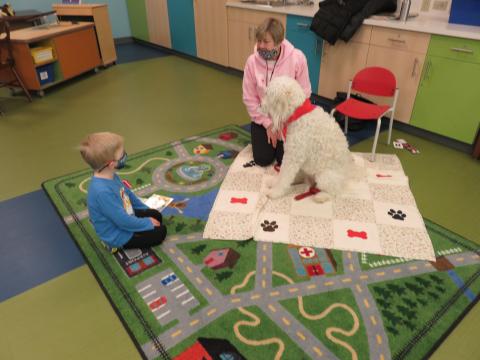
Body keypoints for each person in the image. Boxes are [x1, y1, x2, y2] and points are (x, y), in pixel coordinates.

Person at [79, 132, 167, 250]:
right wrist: (147, 223)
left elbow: (127, 194)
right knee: (160, 232)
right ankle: (111, 245)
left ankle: (144, 221)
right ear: (111, 164)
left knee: (156, 215)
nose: (125, 155)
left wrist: (145, 210)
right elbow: (122, 221)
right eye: (122, 155)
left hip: (124, 212)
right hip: (117, 235)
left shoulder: (111, 175)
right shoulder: (102, 192)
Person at [243, 17, 312, 167]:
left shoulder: (297, 58)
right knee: (262, 160)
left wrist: (284, 123)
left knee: (285, 161)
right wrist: (268, 124)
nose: (260, 46)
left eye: (266, 42)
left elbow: (304, 94)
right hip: (263, 118)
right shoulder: (251, 62)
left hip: (289, 119)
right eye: (259, 40)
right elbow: (249, 99)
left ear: (279, 41)